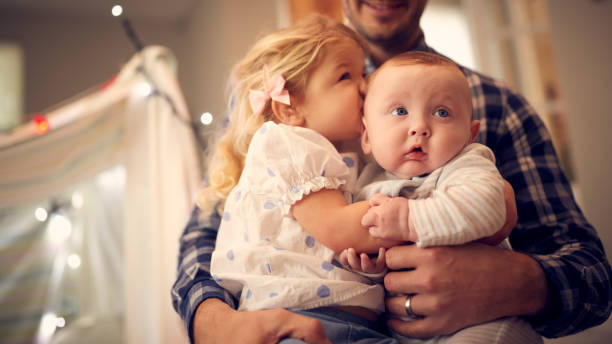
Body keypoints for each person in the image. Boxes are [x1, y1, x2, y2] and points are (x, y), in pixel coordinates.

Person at [172, 1, 612, 342]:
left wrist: (521, 281)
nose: (419, 128)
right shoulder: (293, 122)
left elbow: (592, 277)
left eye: (441, 113)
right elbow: (208, 238)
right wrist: (214, 324)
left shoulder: (500, 107)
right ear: (366, 134)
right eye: (350, 81)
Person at [202, 14, 402, 343]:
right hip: (302, 322)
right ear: (290, 107)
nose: (365, 84)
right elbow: (339, 227)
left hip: (351, 324)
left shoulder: (335, 153)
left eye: (363, 72)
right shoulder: (289, 145)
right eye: (345, 76)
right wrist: (421, 213)